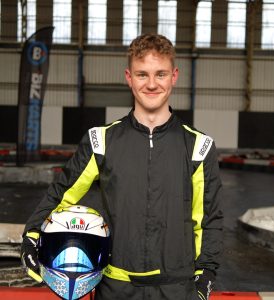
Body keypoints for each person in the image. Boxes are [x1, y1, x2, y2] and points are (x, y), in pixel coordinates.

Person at [21, 33, 223, 300]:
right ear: (129, 77)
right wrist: (33, 234)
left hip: (178, 288)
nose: (151, 84)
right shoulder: (101, 141)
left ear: (174, 76)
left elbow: (208, 219)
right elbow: (61, 192)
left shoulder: (199, 146)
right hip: (115, 288)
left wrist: (206, 272)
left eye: (160, 74)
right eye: (142, 75)